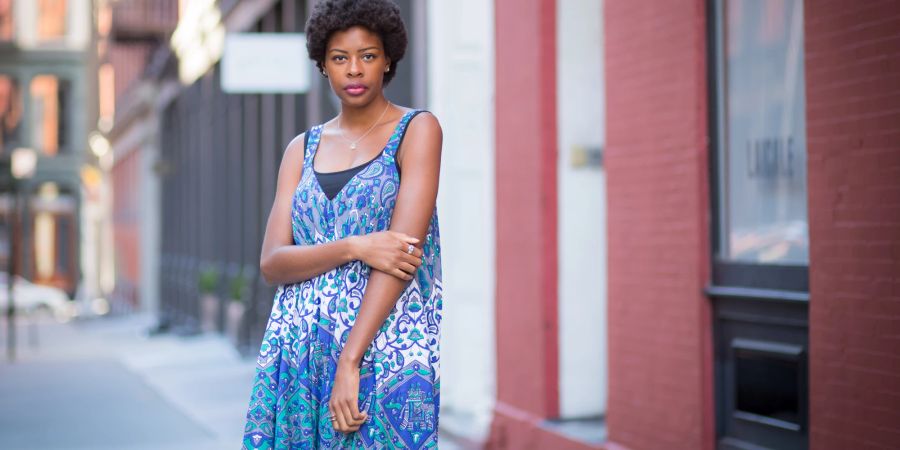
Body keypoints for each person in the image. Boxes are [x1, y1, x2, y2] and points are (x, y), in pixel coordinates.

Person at [241, 0, 443, 448]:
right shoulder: (300, 148)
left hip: (384, 345)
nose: (354, 69)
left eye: (367, 56)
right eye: (340, 58)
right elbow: (273, 263)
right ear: (323, 65)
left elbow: (403, 255)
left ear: (388, 58)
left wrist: (350, 360)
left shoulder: (417, 130)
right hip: (296, 351)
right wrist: (355, 246)